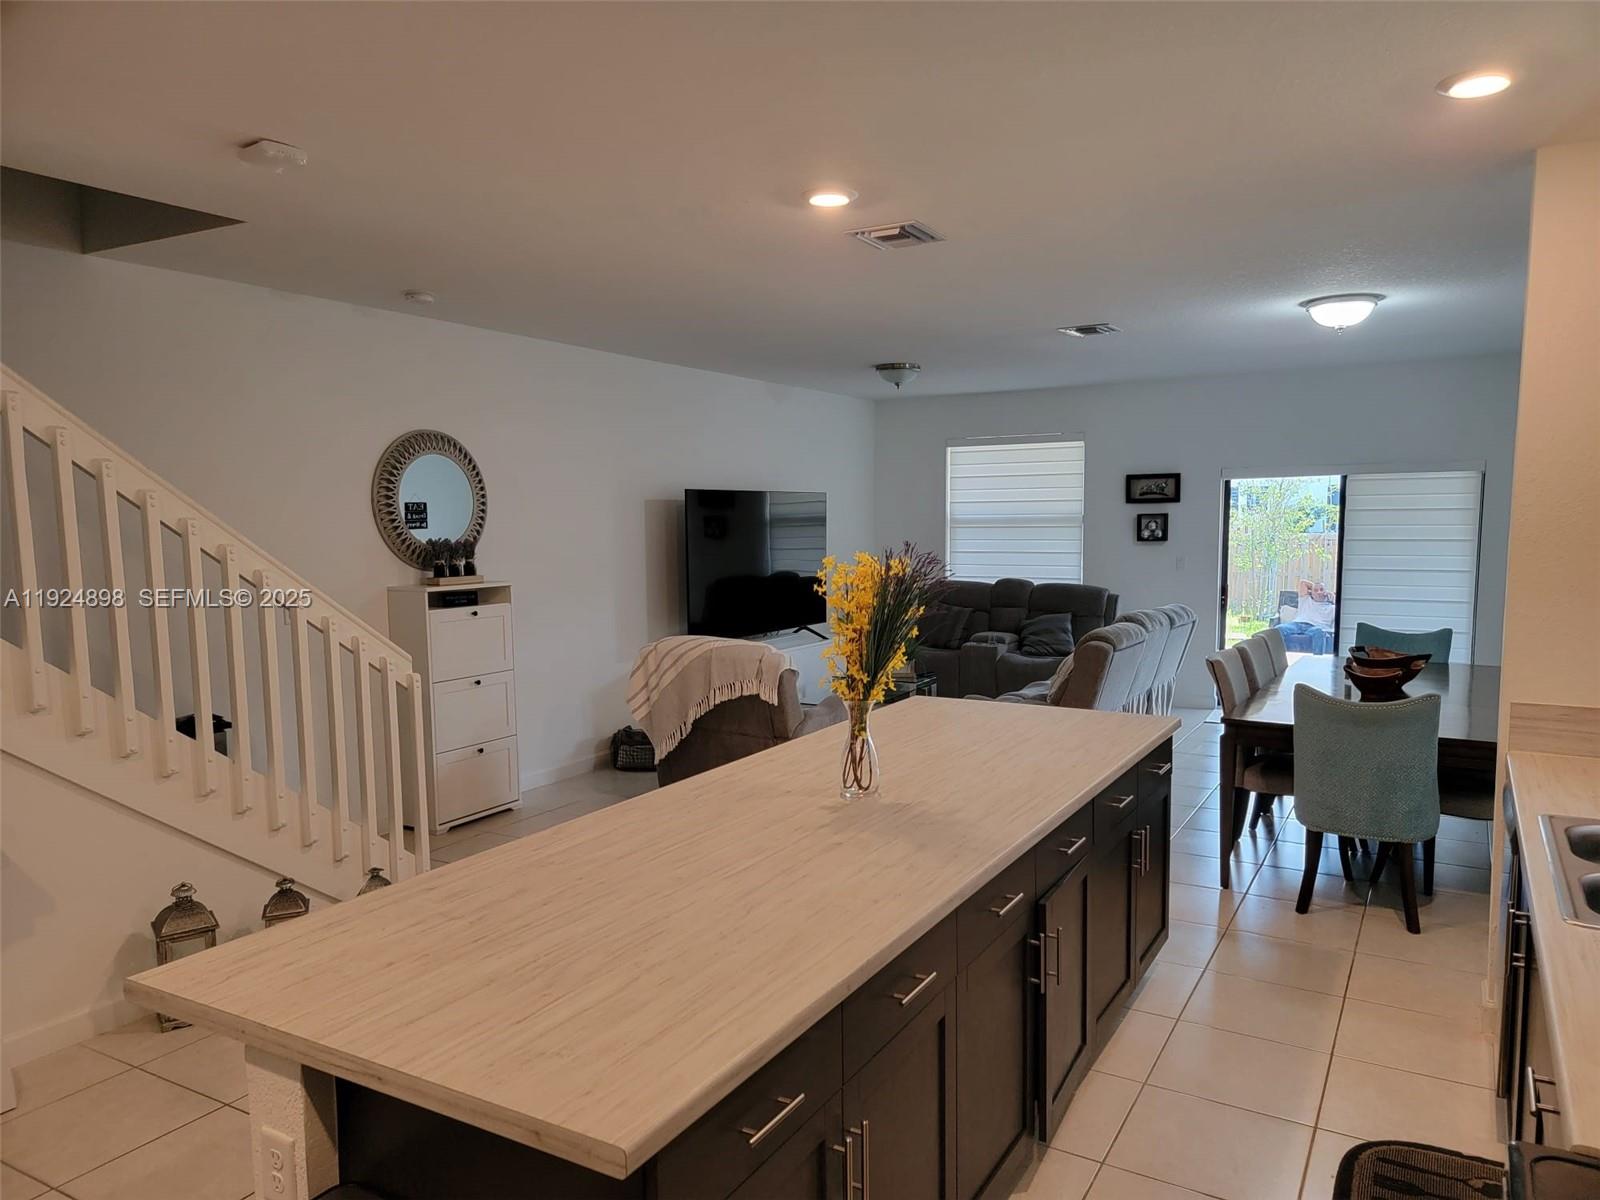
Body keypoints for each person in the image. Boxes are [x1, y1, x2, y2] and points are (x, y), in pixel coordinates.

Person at [1277, 578, 1335, 654]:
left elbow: (1343, 610)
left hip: (1315, 627)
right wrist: (1314, 586)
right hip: (1297, 624)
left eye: (1321, 590)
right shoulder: (1305, 599)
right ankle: (1280, 658)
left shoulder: (1331, 607)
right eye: (1316, 590)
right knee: (1278, 629)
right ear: (1311, 592)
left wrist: (1333, 597)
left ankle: (1317, 661)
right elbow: (1302, 582)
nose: (1319, 592)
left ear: (1325, 592)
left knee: (1319, 632)